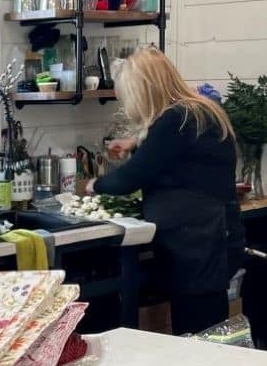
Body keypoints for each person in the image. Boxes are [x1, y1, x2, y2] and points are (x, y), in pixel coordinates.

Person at [87, 47, 244, 335]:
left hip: (198, 243)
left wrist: (94, 185)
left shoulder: (175, 120)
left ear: (144, 90)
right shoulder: (198, 110)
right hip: (213, 236)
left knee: (198, 334)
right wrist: (137, 143)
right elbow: (177, 152)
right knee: (207, 331)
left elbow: (129, 179)